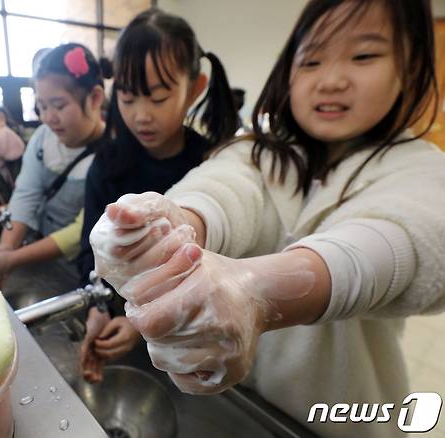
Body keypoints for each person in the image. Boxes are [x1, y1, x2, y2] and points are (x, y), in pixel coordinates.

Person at [89, 1, 445, 437]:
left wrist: (259, 291)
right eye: (311, 60)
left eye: (364, 55)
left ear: (409, 66)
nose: (331, 79)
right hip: (242, 408)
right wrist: (174, 225)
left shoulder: (421, 169)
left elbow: (400, 242)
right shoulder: (258, 152)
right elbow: (225, 188)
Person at [77, 8, 240, 383]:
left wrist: (139, 324)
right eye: (129, 98)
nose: (141, 115)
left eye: (158, 97)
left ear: (194, 89)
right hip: (118, 323)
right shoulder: (107, 165)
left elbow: (210, 265)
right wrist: (99, 307)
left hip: (191, 337)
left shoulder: (212, 168)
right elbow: (90, 250)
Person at [0, 43, 107, 307]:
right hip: (41, 258)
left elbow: (79, 233)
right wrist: (5, 251)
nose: (49, 117)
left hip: (88, 270)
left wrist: (12, 259)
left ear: (95, 99)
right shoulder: (42, 139)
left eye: (58, 105)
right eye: (42, 106)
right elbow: (25, 195)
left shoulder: (111, 154)